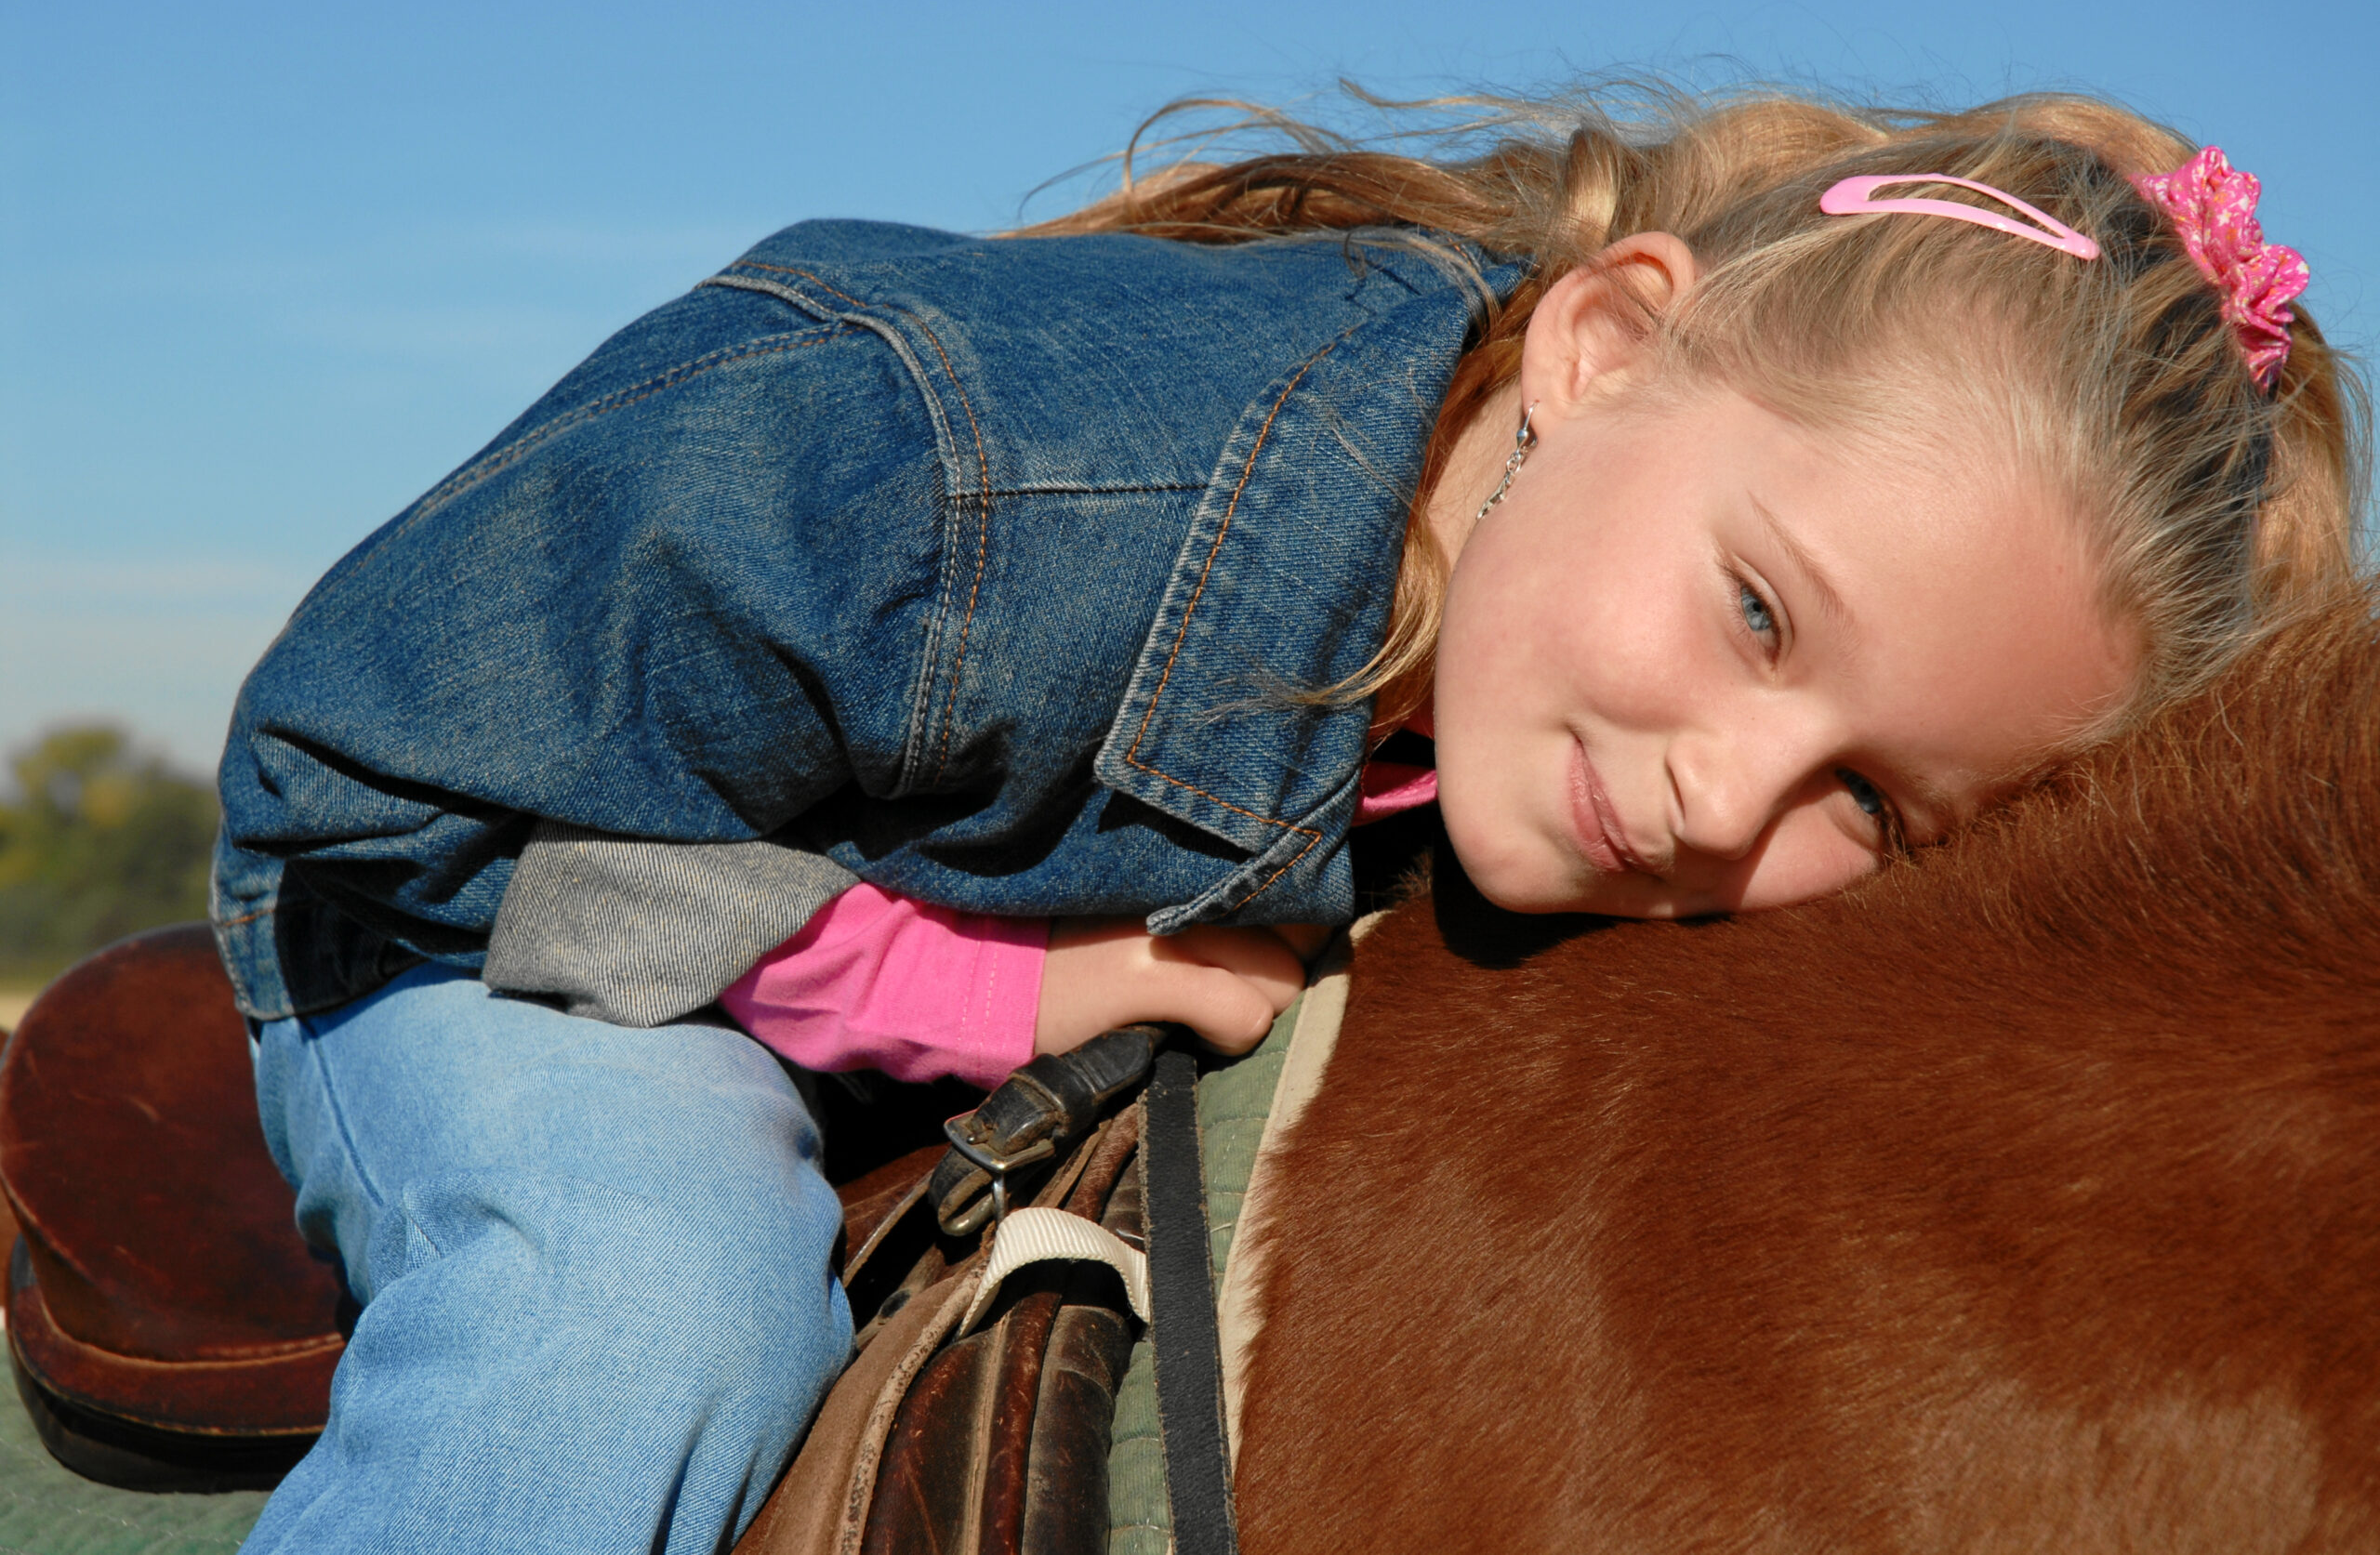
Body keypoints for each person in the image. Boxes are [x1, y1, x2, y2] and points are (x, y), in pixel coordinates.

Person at [214, 86, 2365, 1552]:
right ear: (1608, 350)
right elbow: (391, 773)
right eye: (1753, 609)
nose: (1725, 792)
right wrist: (999, 982)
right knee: (639, 1304)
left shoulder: (1575, 657)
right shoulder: (963, 479)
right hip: (468, 900)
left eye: (1873, 798)